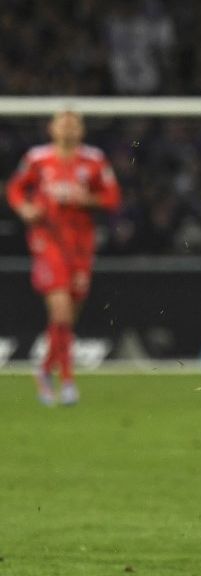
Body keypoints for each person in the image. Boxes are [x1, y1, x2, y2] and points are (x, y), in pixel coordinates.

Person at [5, 110, 122, 406]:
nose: (68, 127)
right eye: (63, 122)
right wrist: (25, 209)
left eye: (74, 122)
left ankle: (44, 370)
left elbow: (113, 197)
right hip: (48, 242)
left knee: (69, 315)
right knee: (61, 310)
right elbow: (15, 189)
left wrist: (88, 200)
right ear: (52, 128)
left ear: (81, 129)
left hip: (80, 245)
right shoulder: (37, 158)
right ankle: (68, 382)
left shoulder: (94, 160)